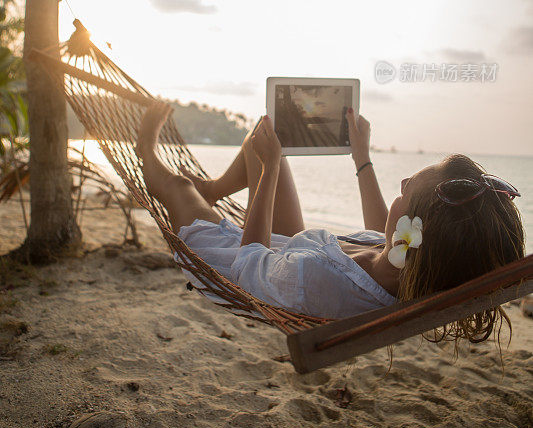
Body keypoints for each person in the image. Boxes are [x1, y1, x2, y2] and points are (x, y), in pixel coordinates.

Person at [136, 103, 525, 341]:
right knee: (262, 134)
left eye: (406, 188)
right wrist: (361, 156)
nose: (402, 183)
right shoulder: (406, 265)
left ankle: (147, 151)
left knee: (177, 183)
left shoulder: (316, 276)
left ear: (410, 226)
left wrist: (271, 167)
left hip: (231, 260)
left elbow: (247, 262)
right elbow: (379, 228)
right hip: (287, 253)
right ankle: (214, 191)